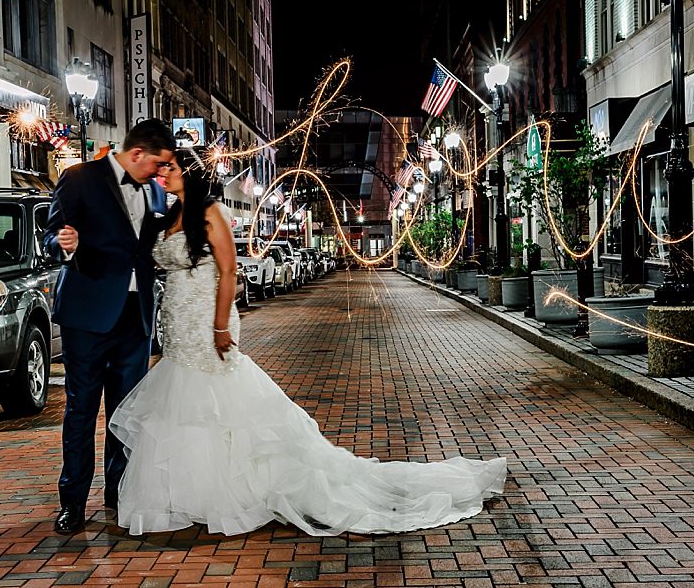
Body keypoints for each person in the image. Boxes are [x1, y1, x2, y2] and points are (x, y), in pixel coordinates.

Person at [109, 149, 506, 537]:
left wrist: (219, 325)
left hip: (205, 325)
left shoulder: (211, 213)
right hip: (177, 328)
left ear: (190, 174)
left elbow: (229, 270)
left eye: (172, 167)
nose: (163, 172)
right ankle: (186, 493)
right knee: (182, 409)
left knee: (214, 407)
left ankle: (225, 492)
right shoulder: (168, 214)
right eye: (162, 167)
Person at [44, 119, 176, 535]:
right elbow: (51, 235)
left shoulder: (155, 191)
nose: (160, 173)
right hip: (88, 315)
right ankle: (73, 502)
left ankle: (119, 495)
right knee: (81, 410)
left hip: (135, 318)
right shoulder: (79, 178)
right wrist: (62, 245)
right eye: (157, 163)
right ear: (137, 154)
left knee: (126, 414)